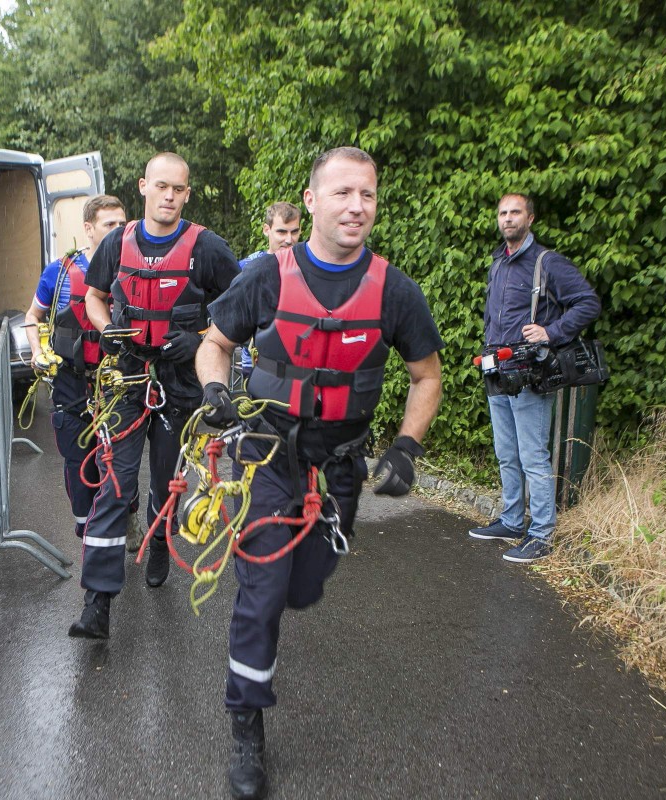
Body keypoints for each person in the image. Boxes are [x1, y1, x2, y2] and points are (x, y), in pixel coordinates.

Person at [195, 147, 444, 799]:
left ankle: (281, 592)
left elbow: (427, 376)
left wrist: (407, 447)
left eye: (366, 194)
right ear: (311, 203)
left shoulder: (395, 290)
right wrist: (217, 393)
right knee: (264, 590)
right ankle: (246, 727)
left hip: (338, 467)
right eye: (341, 193)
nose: (355, 206)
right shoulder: (266, 277)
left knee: (303, 589)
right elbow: (214, 344)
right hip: (267, 456)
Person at [67, 152, 241, 639]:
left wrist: (205, 335)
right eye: (160, 186)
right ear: (143, 186)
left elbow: (244, 306)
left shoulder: (206, 248)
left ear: (187, 193)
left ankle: (161, 538)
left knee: (166, 481)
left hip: (179, 382)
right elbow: (94, 297)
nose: (168, 196)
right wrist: (107, 332)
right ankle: (97, 602)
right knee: (115, 484)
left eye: (178, 189)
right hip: (126, 378)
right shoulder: (117, 243)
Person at [468, 193, 600, 563]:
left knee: (533, 457)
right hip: (497, 369)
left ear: (530, 218)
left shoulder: (547, 263)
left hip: (529, 372)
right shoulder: (498, 263)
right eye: (503, 213)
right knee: (506, 453)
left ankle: (541, 534)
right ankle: (512, 521)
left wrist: (550, 332)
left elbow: (587, 303)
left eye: (515, 212)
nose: (508, 218)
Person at [22, 195, 142, 549]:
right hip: (71, 381)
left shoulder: (136, 270)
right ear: (88, 229)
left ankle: (125, 514)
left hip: (117, 379)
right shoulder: (58, 272)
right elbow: (32, 317)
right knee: (78, 458)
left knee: (118, 457)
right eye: (110, 225)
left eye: (123, 224)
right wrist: (37, 351)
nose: (119, 232)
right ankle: (87, 527)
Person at [236, 202, 302, 381]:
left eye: (294, 232)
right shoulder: (246, 267)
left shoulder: (308, 268)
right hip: (255, 367)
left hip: (298, 368)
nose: (289, 239)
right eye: (281, 232)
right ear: (267, 230)